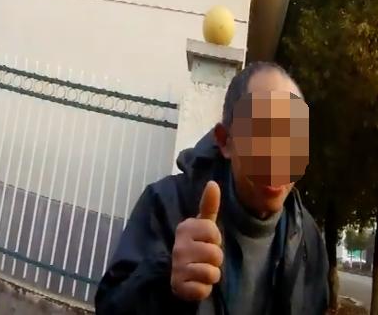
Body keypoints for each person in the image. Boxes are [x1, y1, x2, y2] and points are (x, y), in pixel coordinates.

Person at [95, 61, 329, 315]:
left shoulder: (309, 240)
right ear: (225, 141)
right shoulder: (167, 205)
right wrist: (165, 279)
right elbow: (110, 307)